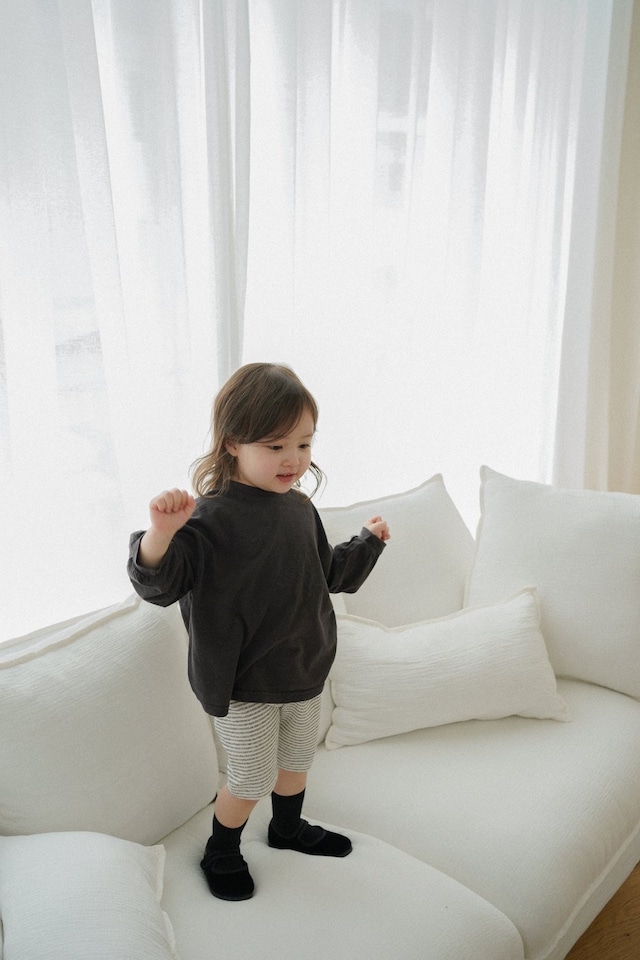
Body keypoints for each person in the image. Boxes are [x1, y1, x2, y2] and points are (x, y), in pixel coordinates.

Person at [127, 362, 390, 901]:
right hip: (244, 683)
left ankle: (287, 829)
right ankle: (221, 850)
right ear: (232, 443)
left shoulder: (300, 509)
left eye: (304, 444)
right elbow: (158, 584)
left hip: (304, 667)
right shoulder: (208, 520)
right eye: (275, 446)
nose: (293, 459)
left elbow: (328, 573)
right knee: (249, 777)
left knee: (297, 761)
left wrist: (368, 544)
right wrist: (160, 533)